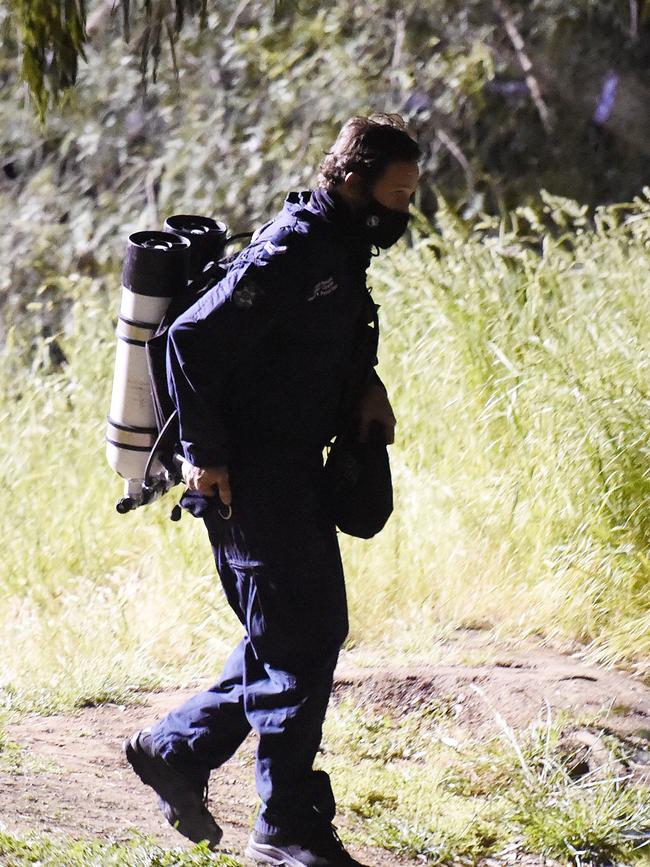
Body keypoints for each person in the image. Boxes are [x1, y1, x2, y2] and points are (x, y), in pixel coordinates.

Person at [123, 113, 420, 867]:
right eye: (397, 193)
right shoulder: (294, 247)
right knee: (303, 635)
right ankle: (284, 822)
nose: (405, 211)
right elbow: (190, 336)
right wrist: (205, 453)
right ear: (354, 182)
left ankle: (178, 748)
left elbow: (302, 345)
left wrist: (365, 386)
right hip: (247, 476)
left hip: (292, 467)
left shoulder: (339, 244)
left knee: (295, 630)